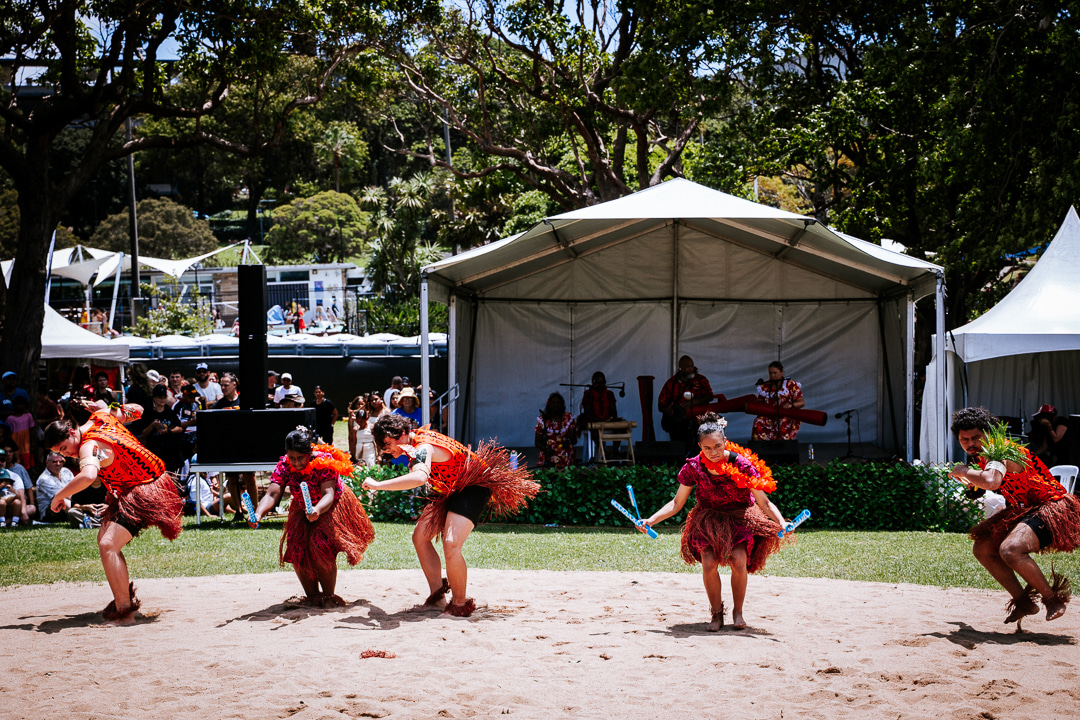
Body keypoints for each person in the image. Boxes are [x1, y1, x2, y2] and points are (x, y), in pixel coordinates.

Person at [364, 415, 540, 617]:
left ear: (402, 433)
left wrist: (378, 485)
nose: (388, 450)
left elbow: (419, 477)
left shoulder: (422, 446)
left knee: (451, 543)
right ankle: (437, 598)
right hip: (448, 488)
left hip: (472, 486)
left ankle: (459, 604)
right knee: (420, 538)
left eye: (387, 443)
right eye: (383, 446)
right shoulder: (417, 440)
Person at [640, 413, 787, 631]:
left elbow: (764, 502)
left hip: (739, 517)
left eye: (717, 446)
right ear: (700, 446)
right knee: (708, 562)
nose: (713, 452)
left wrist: (782, 523)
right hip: (708, 518)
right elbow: (676, 502)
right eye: (707, 448)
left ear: (725, 442)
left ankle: (738, 612)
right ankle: (716, 614)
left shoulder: (742, 465)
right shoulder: (693, 467)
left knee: (738, 559)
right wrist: (651, 520)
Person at [44, 402, 184, 623]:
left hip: (141, 491)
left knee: (108, 545)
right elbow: (139, 410)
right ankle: (125, 603)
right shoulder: (101, 416)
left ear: (72, 432)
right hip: (151, 483)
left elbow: (89, 476)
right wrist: (109, 407)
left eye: (63, 448)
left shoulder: (86, 445)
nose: (67, 454)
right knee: (104, 539)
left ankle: (124, 612)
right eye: (59, 452)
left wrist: (59, 496)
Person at [947, 406, 1080, 625]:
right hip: (1024, 509)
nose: (970, 443)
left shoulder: (1003, 452)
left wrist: (963, 472)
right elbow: (983, 484)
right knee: (982, 548)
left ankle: (1052, 599)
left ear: (989, 434)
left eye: (975, 437)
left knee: (1010, 550)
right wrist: (971, 481)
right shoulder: (982, 456)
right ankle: (1024, 602)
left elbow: (991, 481)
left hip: (1051, 506)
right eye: (964, 439)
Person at [250, 426, 375, 607]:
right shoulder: (285, 465)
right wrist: (258, 513)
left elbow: (328, 494)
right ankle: (313, 596)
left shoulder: (324, 462)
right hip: (303, 506)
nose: (296, 462)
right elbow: (272, 494)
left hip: (330, 506)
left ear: (310, 452)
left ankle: (329, 596)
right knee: (297, 548)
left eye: (301, 458)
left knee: (320, 545)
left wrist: (317, 510)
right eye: (292, 457)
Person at [213, 373, 260, 520]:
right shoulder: (218, 405)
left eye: (226, 384)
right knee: (232, 479)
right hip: (228, 446)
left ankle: (256, 511)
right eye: (222, 384)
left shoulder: (244, 401)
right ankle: (239, 512)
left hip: (245, 445)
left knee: (249, 477)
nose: (223, 387)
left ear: (235, 384)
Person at [657, 355, 714, 445]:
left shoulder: (700, 380)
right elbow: (661, 404)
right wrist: (667, 410)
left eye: (692, 366)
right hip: (679, 422)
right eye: (687, 367)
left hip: (699, 419)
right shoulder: (672, 383)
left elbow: (710, 396)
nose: (691, 369)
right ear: (680, 369)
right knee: (679, 443)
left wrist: (693, 402)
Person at [751, 361, 805, 441]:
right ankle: (760, 449)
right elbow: (760, 403)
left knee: (783, 422)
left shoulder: (790, 384)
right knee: (758, 421)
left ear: (782, 371)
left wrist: (791, 405)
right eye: (770, 373)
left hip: (786, 415)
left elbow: (801, 402)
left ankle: (782, 449)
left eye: (775, 373)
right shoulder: (765, 387)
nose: (772, 376)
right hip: (769, 415)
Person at [578, 371, 619, 457]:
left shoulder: (609, 394)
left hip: (607, 420)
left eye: (603, 383)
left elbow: (614, 412)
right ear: (593, 382)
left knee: (621, 429)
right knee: (594, 430)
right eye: (598, 383)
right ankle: (604, 453)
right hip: (593, 420)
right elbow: (587, 413)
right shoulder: (588, 394)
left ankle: (615, 452)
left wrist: (609, 419)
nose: (601, 385)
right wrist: (600, 420)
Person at [535, 392, 578, 468]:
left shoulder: (568, 417)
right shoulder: (542, 419)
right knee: (548, 455)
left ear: (562, 405)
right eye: (553, 403)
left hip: (564, 448)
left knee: (567, 450)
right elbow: (537, 442)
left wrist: (568, 441)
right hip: (548, 449)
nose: (556, 405)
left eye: (558, 403)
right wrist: (546, 449)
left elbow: (574, 441)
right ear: (549, 404)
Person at [36, 452, 75, 523]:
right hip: (50, 512)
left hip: (68, 503)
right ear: (47, 462)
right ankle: (81, 516)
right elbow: (61, 495)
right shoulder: (44, 479)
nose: (58, 464)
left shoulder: (66, 471)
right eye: (54, 462)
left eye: (61, 461)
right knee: (61, 500)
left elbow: (76, 488)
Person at [6, 395, 35, 469]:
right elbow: (8, 433)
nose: (20, 406)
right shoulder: (10, 418)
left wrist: (32, 443)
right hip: (15, 444)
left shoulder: (28, 416)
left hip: (26, 445)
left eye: (22, 404)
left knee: (26, 465)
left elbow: (31, 431)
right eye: (18, 404)